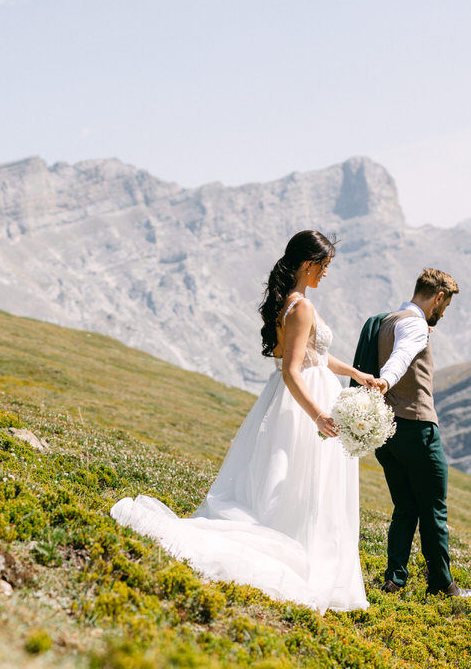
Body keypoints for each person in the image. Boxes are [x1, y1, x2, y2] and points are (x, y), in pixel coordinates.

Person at [110, 230, 385, 613]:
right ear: (309, 265)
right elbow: (293, 370)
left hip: (293, 399)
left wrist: (356, 375)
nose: (326, 274)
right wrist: (318, 415)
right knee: (301, 482)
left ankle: (297, 547)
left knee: (290, 480)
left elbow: (315, 355)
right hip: (304, 401)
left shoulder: (290, 303)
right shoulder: (301, 307)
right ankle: (295, 556)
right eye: (324, 267)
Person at [371, 269, 471, 598]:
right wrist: (385, 381)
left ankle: (394, 579)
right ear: (438, 297)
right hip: (417, 427)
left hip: (387, 430)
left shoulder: (387, 320)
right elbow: (402, 358)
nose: (443, 314)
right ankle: (443, 584)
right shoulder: (416, 324)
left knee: (405, 507)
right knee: (434, 509)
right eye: (445, 306)